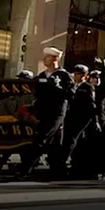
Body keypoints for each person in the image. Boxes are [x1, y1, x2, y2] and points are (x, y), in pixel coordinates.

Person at [16, 47, 73, 179]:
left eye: (48, 57)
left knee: (41, 139)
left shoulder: (64, 75)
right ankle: (57, 169)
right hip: (42, 112)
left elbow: (71, 94)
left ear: (56, 59)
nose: (44, 59)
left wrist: (59, 88)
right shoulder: (41, 76)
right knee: (55, 142)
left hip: (56, 112)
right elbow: (37, 95)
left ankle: (25, 169)